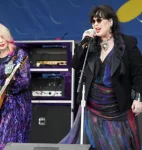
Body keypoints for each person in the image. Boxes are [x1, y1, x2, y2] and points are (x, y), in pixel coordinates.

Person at [59, 5, 142, 150]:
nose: (95, 24)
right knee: (95, 145)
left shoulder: (128, 43)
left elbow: (138, 72)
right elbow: (75, 64)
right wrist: (84, 42)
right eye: (93, 21)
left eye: (99, 20)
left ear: (110, 22)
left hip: (117, 106)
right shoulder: (91, 44)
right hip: (93, 105)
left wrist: (138, 98)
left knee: (120, 145)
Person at [0, 23, 32, 150]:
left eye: (2, 37)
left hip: (16, 106)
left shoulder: (19, 55)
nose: (0, 41)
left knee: (7, 143)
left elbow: (25, 80)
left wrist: (11, 83)